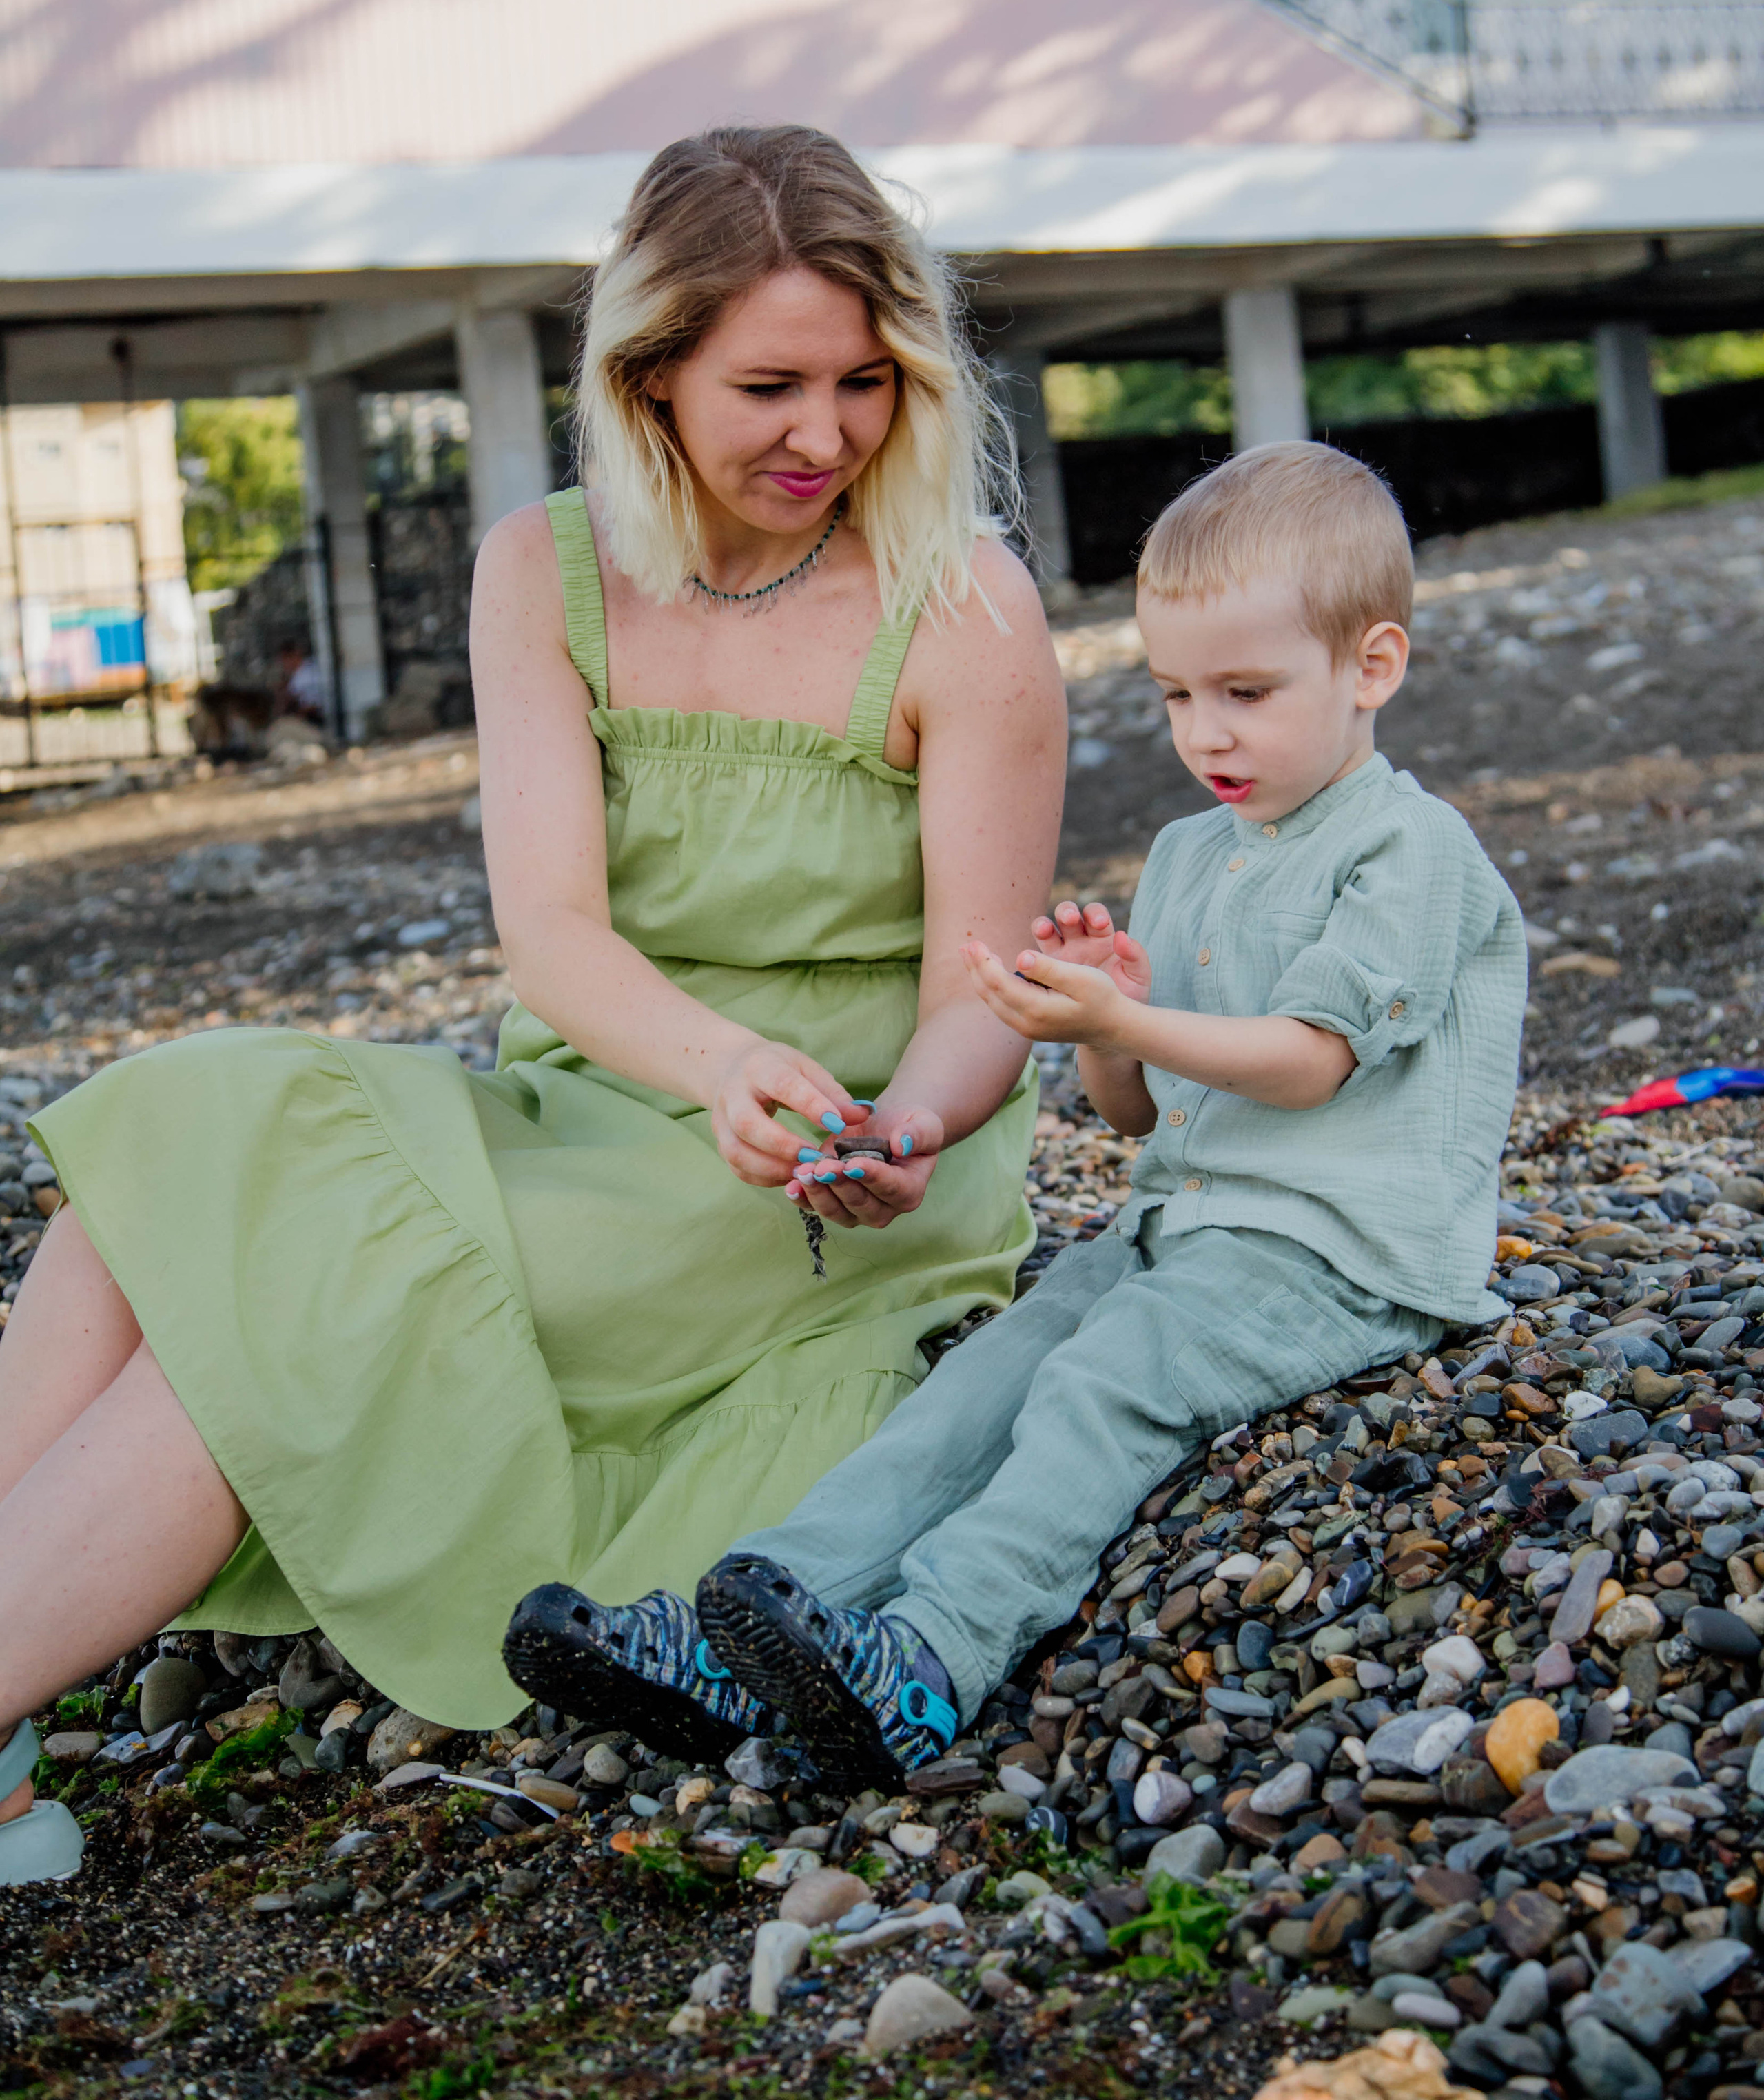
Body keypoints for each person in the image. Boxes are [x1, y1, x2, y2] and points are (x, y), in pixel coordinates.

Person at [0, 125, 1066, 1885]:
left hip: (824, 1182)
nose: (827, 434)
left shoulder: (965, 607)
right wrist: (710, 1060)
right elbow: (553, 936)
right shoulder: (543, 571)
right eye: (771, 385)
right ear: (646, 378)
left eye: (868, 381)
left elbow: (986, 982)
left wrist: (909, 1128)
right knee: (167, 1167)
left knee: (288, 1313)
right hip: (600, 1098)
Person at [556, 441, 1528, 1786]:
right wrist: (1096, 1022)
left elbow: (1308, 1062)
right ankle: (752, 1615)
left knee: (1101, 1389)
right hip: (1178, 1232)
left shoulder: (1405, 854)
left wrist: (1122, 1020)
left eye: (1245, 693)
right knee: (983, 1383)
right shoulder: (1191, 855)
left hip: (1342, 1254)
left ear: (1370, 668)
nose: (1207, 735)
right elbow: (1139, 1117)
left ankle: (930, 1661)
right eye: (1178, 694)